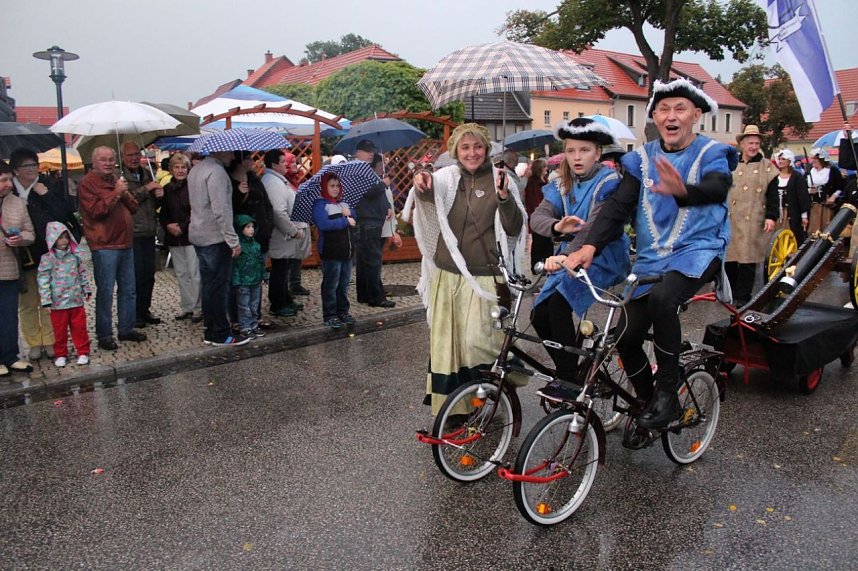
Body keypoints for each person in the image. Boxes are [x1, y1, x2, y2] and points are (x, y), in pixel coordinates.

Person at [563, 79, 738, 430]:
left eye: (680, 109)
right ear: (655, 117)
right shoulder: (640, 161)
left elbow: (719, 186)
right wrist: (588, 246)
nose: (671, 116)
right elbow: (617, 208)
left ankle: (668, 395)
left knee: (663, 300)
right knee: (625, 338)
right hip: (651, 258)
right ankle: (646, 402)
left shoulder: (711, 153)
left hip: (698, 249)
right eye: (664, 109)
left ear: (696, 115)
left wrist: (685, 191)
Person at [411, 123, 526, 415]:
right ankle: (454, 410)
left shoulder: (503, 179)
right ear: (456, 151)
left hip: (486, 277)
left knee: (478, 343)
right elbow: (427, 194)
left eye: (477, 147)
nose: (472, 153)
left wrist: (503, 198)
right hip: (447, 276)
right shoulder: (446, 178)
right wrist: (421, 182)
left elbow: (514, 229)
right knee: (447, 349)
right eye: (465, 147)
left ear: (486, 149)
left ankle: (498, 380)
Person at [529, 119, 631, 401]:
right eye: (571, 150)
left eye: (584, 150)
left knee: (559, 305)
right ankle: (569, 372)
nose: (576, 157)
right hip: (569, 256)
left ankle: (567, 380)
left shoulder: (609, 183)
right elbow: (537, 217)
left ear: (597, 153)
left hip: (603, 256)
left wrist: (561, 255)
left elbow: (594, 229)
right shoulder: (561, 182)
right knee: (538, 314)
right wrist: (556, 227)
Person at [9, 147, 81, 361]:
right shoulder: (9, 191)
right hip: (23, 254)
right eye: (27, 165)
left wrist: (46, 195)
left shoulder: (48, 184)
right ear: (16, 170)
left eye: (34, 165)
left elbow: (65, 213)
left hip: (49, 252)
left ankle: (51, 340)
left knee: (51, 299)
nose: (32, 169)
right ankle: (33, 342)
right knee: (28, 301)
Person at [78, 146, 146, 351]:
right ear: (94, 161)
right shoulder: (87, 184)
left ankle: (126, 328)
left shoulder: (116, 180)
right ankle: (104, 334)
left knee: (129, 290)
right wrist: (116, 194)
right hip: (104, 244)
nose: (108, 163)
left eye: (111, 159)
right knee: (106, 292)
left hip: (125, 242)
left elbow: (134, 208)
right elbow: (96, 211)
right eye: (103, 159)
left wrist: (124, 193)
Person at [188, 149, 249, 347]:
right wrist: (233, 240)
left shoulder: (196, 170)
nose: (233, 156)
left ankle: (211, 328)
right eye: (230, 153)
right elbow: (221, 210)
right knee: (219, 287)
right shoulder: (217, 173)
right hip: (215, 237)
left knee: (209, 286)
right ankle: (221, 332)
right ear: (220, 151)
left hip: (198, 233)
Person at [725, 125, 779, 306]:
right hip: (731, 218)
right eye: (750, 143)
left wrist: (771, 216)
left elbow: (773, 195)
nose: (754, 146)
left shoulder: (767, 167)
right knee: (729, 258)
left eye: (757, 143)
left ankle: (743, 296)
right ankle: (729, 291)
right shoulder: (731, 164)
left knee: (748, 260)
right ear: (742, 144)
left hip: (752, 218)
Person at [120, 141, 163, 328]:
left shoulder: (146, 172)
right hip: (133, 232)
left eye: (137, 153)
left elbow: (151, 203)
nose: (134, 158)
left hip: (149, 230)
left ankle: (145, 309)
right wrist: (147, 189)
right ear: (123, 157)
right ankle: (135, 313)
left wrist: (159, 194)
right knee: (135, 276)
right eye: (130, 155)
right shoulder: (120, 177)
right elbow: (128, 199)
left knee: (148, 275)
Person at [37, 222, 91, 367]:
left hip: (76, 300)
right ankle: (60, 353)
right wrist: (46, 300)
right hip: (57, 303)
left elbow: (81, 274)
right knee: (59, 331)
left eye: (66, 237)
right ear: (52, 239)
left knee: (79, 328)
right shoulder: (47, 259)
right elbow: (43, 280)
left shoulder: (75, 257)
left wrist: (86, 288)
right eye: (60, 238)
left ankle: (83, 352)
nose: (64, 241)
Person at [260, 149, 305, 318]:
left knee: (284, 268)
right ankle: (278, 303)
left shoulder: (278, 180)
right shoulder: (273, 182)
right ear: (273, 164)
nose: (286, 164)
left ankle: (285, 298)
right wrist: (292, 231)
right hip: (281, 235)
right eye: (282, 161)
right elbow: (279, 212)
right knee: (279, 269)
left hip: (284, 235)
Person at [0, 160, 35, 377]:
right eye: (3, 180)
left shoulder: (18, 203)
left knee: (9, 316)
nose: (8, 184)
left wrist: (22, 239)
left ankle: (10, 357)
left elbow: (30, 233)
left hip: (9, 269)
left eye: (9, 179)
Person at [159, 153, 201, 322]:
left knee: (194, 273)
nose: (180, 170)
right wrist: (168, 225)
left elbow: (195, 211)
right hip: (173, 237)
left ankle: (198, 308)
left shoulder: (193, 187)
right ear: (171, 169)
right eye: (176, 167)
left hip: (190, 235)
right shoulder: (168, 188)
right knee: (182, 274)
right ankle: (187, 306)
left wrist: (182, 227)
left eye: (183, 167)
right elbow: (163, 212)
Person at [312, 172, 356, 329]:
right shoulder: (320, 204)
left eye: (337, 186)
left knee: (343, 284)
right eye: (332, 186)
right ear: (325, 187)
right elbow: (324, 224)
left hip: (346, 251)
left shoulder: (344, 203)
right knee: (331, 284)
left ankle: (343, 311)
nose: (335, 189)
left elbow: (354, 217)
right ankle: (330, 314)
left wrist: (349, 213)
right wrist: (344, 220)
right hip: (331, 252)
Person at [354, 145, 395, 308]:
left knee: (366, 260)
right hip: (367, 221)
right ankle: (375, 297)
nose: (370, 153)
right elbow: (370, 192)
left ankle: (364, 294)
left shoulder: (366, 170)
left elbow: (377, 196)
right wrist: (383, 184)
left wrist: (387, 206)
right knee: (372, 261)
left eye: (372, 150)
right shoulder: (359, 170)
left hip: (372, 220)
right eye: (367, 150)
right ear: (359, 153)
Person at [231, 214, 266, 339]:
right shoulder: (238, 247)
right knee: (244, 305)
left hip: (255, 280)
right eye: (247, 227)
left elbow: (261, 262)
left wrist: (263, 275)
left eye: (252, 227)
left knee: (254, 305)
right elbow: (234, 266)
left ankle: (254, 325)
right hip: (243, 282)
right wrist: (236, 281)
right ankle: (245, 327)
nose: (251, 229)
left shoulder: (256, 245)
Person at [768, 149, 811, 244]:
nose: (781, 161)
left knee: (791, 235)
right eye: (779, 159)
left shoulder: (796, 176)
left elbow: (802, 196)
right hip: (776, 212)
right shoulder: (774, 175)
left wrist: (804, 216)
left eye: (783, 159)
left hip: (791, 212)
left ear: (789, 161)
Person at [283, 152, 311, 296]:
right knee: (290, 257)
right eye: (291, 162)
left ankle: (295, 283)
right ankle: (289, 286)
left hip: (300, 222)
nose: (295, 164)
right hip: (291, 224)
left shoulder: (297, 180)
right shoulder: (284, 182)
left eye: (295, 161)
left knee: (297, 256)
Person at [523, 157, 552, 272]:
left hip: (547, 215)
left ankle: (547, 264)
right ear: (540, 169)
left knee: (547, 242)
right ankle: (537, 266)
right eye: (545, 167)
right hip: (538, 216)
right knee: (539, 242)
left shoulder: (545, 180)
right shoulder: (532, 183)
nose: (547, 169)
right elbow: (534, 201)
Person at [806, 147, 844, 234]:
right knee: (813, 229)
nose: (813, 160)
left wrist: (833, 196)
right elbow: (803, 187)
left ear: (822, 159)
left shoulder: (832, 171)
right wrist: (809, 190)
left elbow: (840, 186)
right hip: (813, 206)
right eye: (813, 158)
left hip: (827, 205)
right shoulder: (809, 171)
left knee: (826, 228)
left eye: (815, 158)